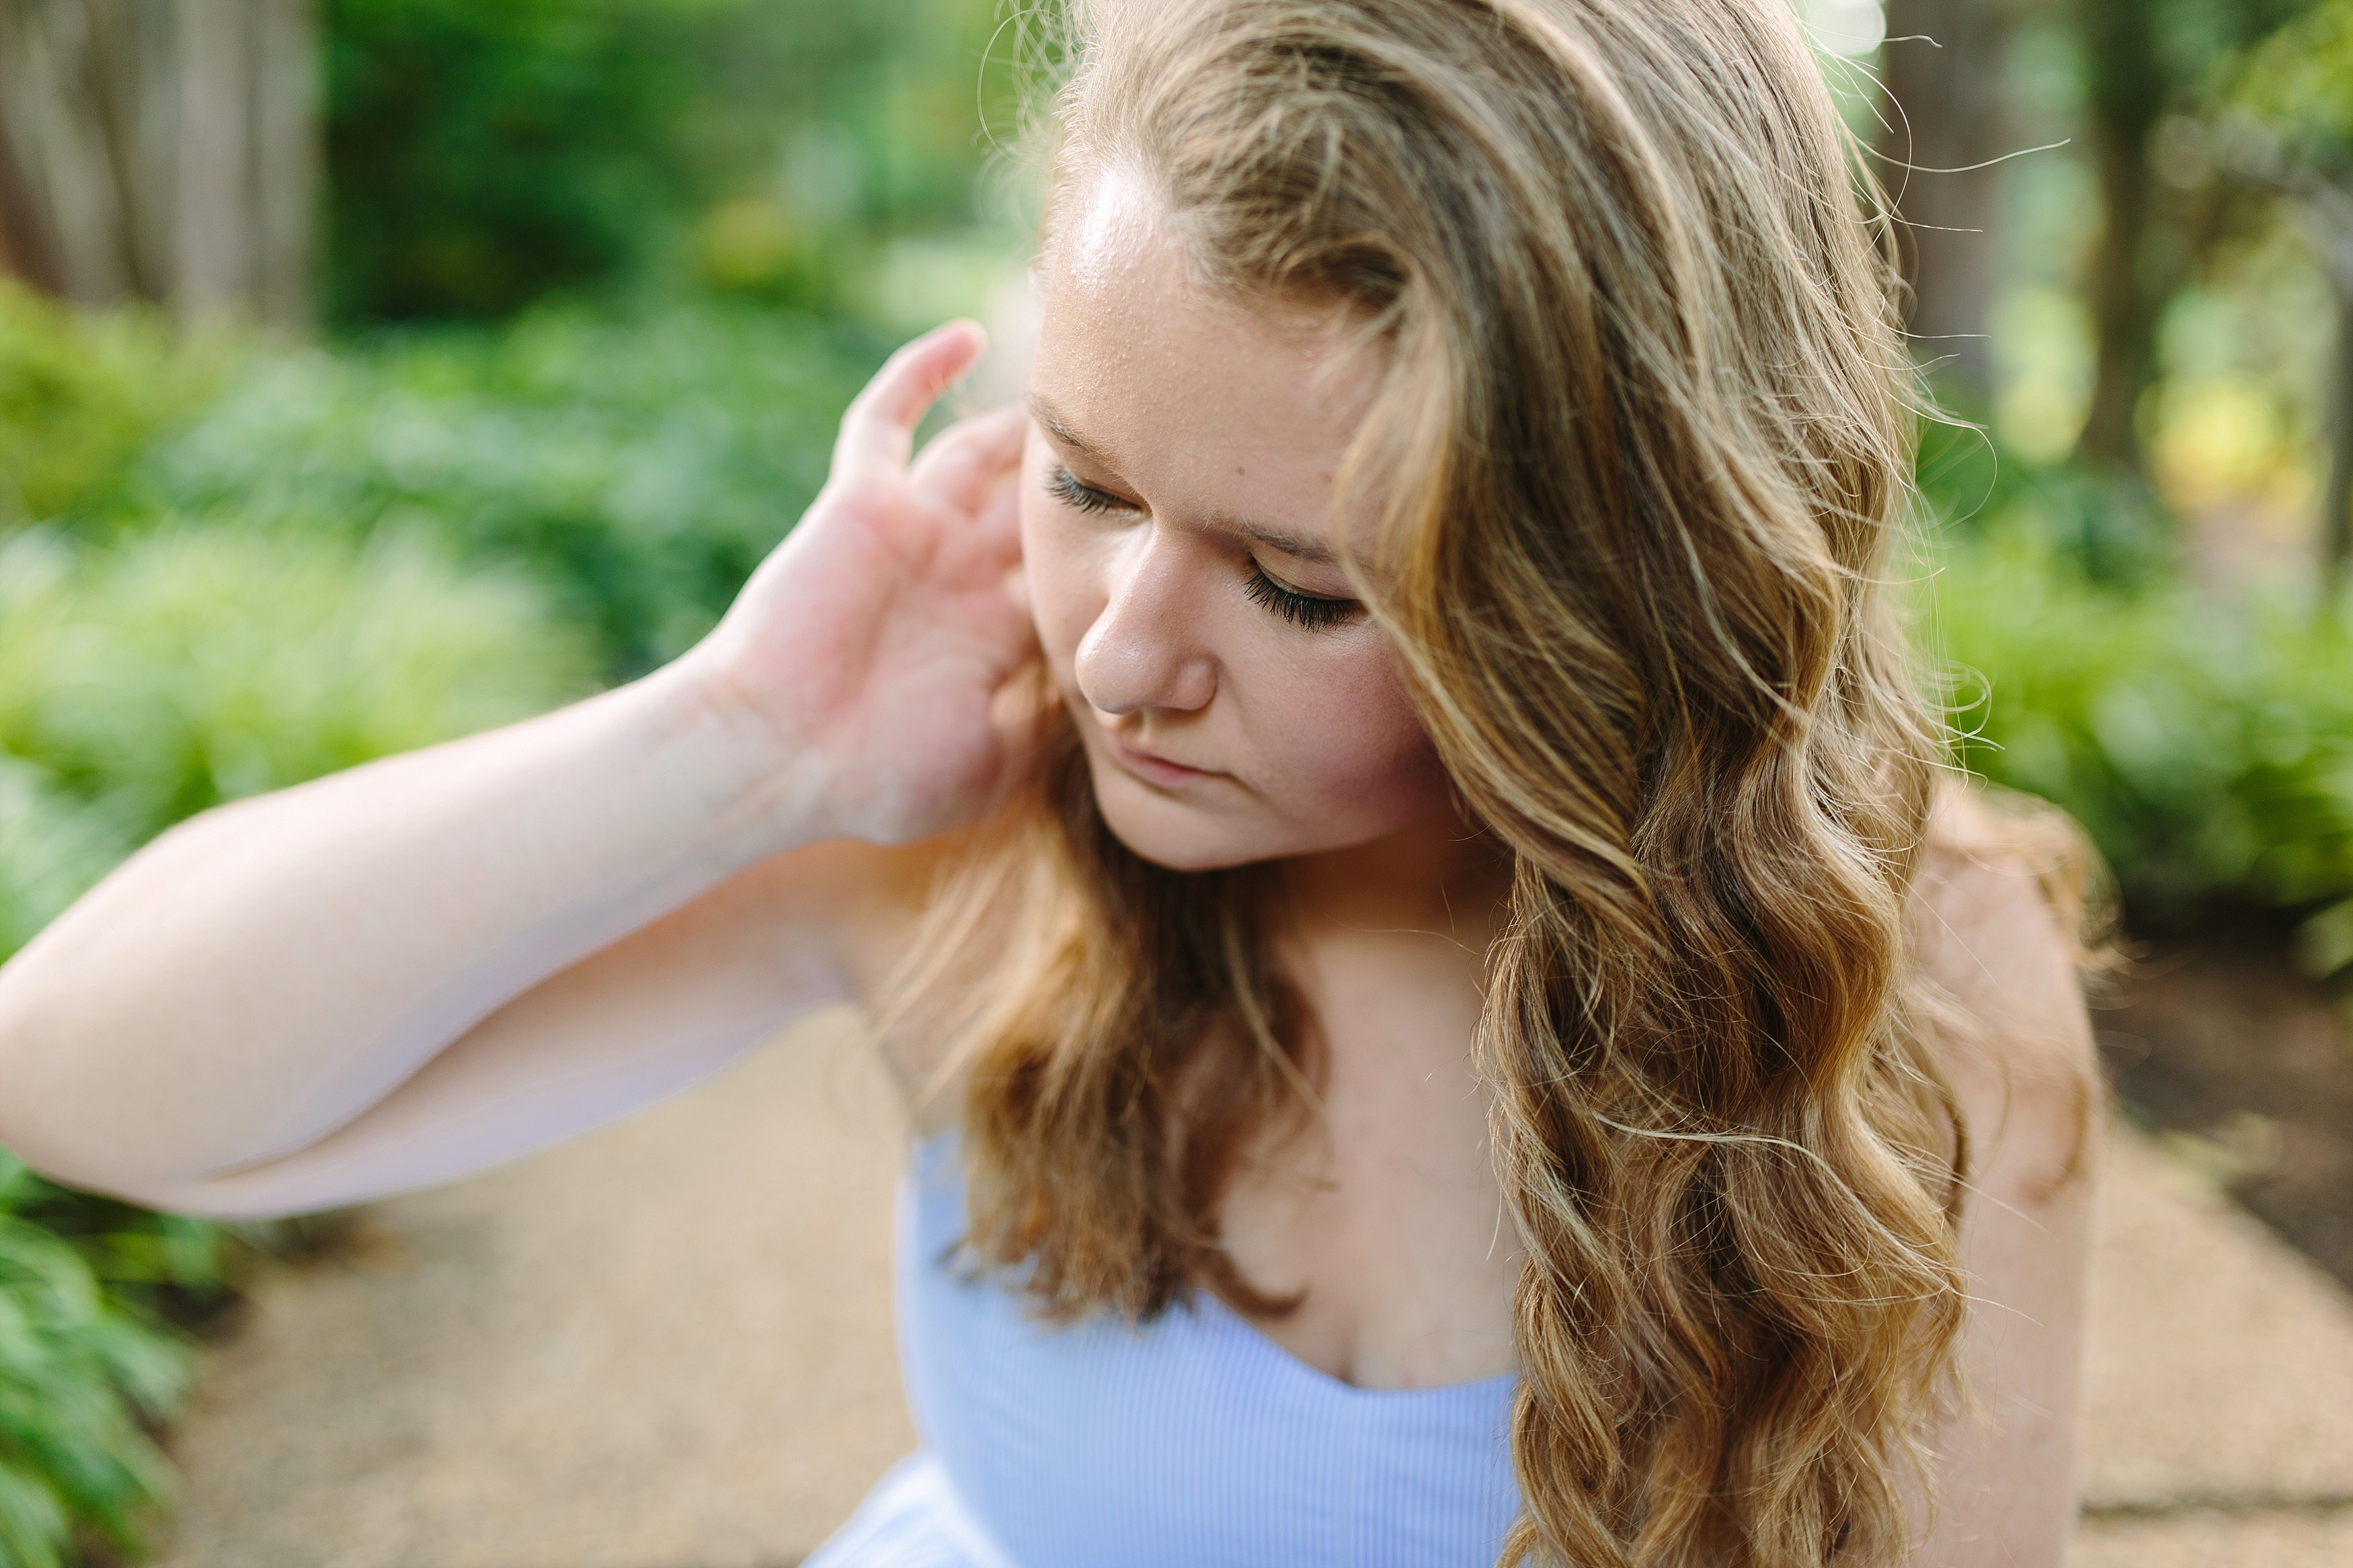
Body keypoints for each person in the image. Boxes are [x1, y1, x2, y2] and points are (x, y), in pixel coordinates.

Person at [0, 1, 2102, 1563]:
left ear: (1616, 587)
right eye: (1085, 481)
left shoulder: (1895, 990)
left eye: (1299, 589)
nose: (1117, 654)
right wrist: (738, 744)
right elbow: (87, 1084)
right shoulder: (974, 820)